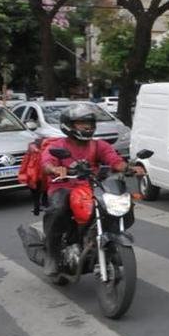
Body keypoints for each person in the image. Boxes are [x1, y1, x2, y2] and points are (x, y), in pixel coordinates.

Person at [39, 103, 142, 276]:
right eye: (81, 123)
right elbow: (46, 162)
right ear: (69, 125)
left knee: (116, 204)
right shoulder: (59, 145)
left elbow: (113, 159)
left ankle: (106, 239)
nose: (87, 127)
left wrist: (128, 168)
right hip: (64, 187)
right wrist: (55, 169)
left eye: (89, 123)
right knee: (57, 210)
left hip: (91, 187)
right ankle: (52, 254)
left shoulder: (98, 145)